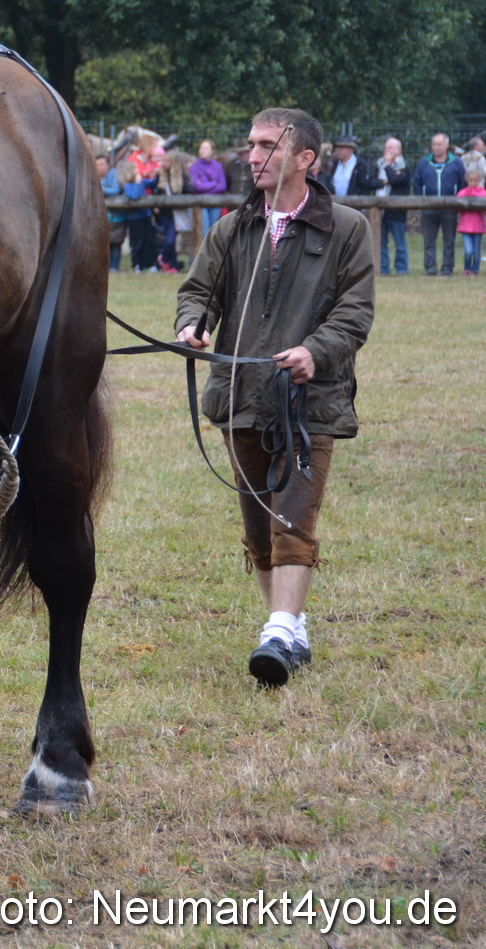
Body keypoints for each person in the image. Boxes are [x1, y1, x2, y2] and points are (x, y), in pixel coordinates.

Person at [174, 108, 374, 688]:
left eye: (268, 146)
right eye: (251, 144)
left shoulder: (346, 227)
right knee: (260, 527)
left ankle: (279, 633)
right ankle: (286, 624)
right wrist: (192, 325)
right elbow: (197, 292)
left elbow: (355, 311)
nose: (253, 155)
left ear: (305, 159)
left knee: (293, 517)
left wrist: (317, 350)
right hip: (240, 398)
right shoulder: (234, 227)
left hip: (309, 403)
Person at [411, 132, 464, 275]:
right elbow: (417, 182)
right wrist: (422, 200)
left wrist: (456, 200)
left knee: (449, 240)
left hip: (449, 208)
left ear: (447, 145)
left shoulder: (457, 162)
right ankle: (430, 267)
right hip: (428, 208)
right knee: (429, 240)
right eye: (434, 144)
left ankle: (447, 267)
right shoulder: (424, 163)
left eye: (440, 144)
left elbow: (462, 183)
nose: (437, 147)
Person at [376, 137, 412, 276]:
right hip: (380, 209)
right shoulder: (378, 164)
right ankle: (383, 268)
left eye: (391, 148)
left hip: (397, 210)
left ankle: (402, 269)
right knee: (381, 242)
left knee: (399, 242)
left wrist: (388, 166)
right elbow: (372, 181)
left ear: (399, 150)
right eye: (386, 148)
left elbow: (396, 181)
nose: (388, 151)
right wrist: (383, 182)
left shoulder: (404, 166)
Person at [189, 139, 228, 234]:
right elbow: (197, 187)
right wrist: (214, 184)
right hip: (201, 204)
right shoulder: (194, 166)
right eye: (201, 148)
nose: (202, 150)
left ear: (212, 151)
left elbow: (223, 186)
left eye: (206, 148)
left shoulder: (218, 166)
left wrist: (204, 186)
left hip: (215, 203)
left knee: (214, 232)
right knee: (204, 232)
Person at [99, 153, 127, 270]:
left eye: (101, 164)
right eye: (96, 164)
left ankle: (114, 267)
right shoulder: (95, 176)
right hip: (102, 216)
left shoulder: (114, 175)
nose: (99, 167)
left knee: (115, 241)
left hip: (115, 216)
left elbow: (115, 190)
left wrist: (99, 188)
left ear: (108, 165)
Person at [459, 164, 485, 277]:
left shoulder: (483, 193)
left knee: (476, 251)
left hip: (478, 226)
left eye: (475, 180)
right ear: (467, 180)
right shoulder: (463, 192)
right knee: (468, 250)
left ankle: (475, 270)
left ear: (479, 180)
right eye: (471, 180)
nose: (473, 183)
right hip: (465, 226)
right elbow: (458, 202)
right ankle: (467, 268)